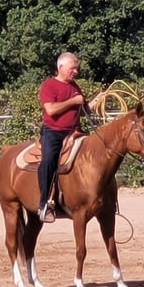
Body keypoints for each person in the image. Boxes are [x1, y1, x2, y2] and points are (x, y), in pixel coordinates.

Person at [37, 52, 103, 221]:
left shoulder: (75, 86)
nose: (75, 72)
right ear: (61, 67)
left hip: (74, 132)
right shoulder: (49, 85)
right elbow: (50, 109)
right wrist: (73, 101)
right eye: (72, 68)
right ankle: (44, 203)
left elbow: (83, 110)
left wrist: (96, 101)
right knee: (49, 160)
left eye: (77, 69)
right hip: (53, 131)